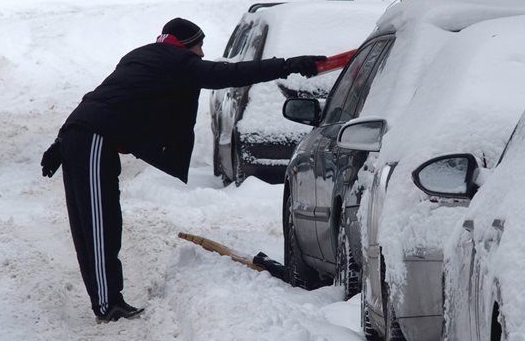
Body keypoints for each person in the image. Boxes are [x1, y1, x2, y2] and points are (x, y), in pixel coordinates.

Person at [40, 18, 325, 323]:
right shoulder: (178, 61)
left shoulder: (144, 55)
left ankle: (106, 299)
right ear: (185, 43)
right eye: (199, 45)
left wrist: (62, 139)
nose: (201, 53)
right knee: (99, 223)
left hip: (85, 134)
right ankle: (108, 303)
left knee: (97, 219)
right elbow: (231, 74)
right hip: (92, 136)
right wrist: (287, 65)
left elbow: (99, 97)